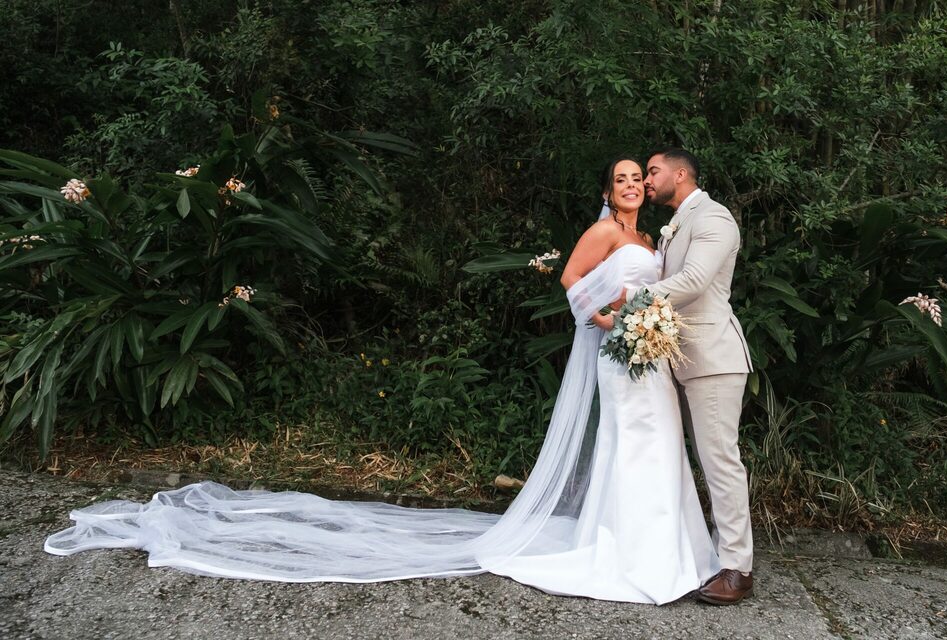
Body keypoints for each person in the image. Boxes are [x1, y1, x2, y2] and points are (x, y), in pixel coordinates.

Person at [43, 155, 720, 605]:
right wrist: (611, 321)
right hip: (621, 355)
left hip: (650, 359)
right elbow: (572, 287)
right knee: (631, 446)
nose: (633, 184)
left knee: (655, 446)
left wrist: (647, 323)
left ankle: (666, 548)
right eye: (623, 178)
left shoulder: (654, 242)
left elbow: (662, 289)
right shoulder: (601, 236)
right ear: (608, 191)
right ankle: (635, 555)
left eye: (640, 178)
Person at [622, 148, 755, 605]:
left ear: (681, 174)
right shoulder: (676, 223)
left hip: (713, 357)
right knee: (689, 460)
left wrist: (632, 298)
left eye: (653, 171)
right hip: (678, 359)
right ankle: (700, 554)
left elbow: (696, 281)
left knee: (720, 461)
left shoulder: (713, 217)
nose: (647, 179)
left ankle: (738, 568)